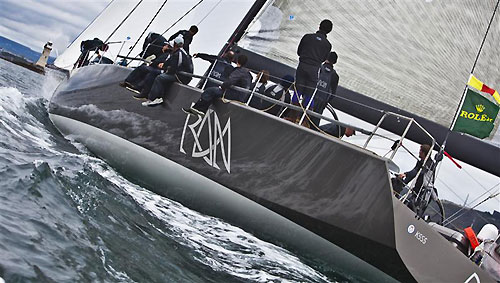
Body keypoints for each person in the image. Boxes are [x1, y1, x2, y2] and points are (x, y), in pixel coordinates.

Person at [182, 54, 252, 116]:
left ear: (237, 61)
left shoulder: (239, 71)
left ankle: (200, 109)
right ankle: (198, 109)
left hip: (234, 95)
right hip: (241, 97)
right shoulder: (248, 74)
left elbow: (230, 81)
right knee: (214, 92)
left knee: (210, 90)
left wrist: (222, 87)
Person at [141, 36, 193, 106]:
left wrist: (165, 70)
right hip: (181, 74)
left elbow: (174, 67)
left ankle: (155, 98)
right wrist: (164, 65)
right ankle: (147, 94)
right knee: (159, 74)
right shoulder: (179, 52)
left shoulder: (179, 53)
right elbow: (170, 62)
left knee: (160, 77)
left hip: (182, 77)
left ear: (174, 44)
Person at [295, 19, 332, 101]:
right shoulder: (328, 45)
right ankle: (303, 111)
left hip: (302, 66)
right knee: (309, 94)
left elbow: (299, 52)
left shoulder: (307, 37)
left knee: (297, 92)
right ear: (329, 31)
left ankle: (291, 109)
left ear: (319, 26)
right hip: (314, 69)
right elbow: (323, 59)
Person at [310, 51, 339, 128]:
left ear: (326, 57)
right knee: (313, 125)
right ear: (335, 62)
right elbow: (333, 94)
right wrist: (326, 101)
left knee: (302, 117)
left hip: (310, 97)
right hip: (321, 103)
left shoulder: (318, 67)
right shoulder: (335, 76)